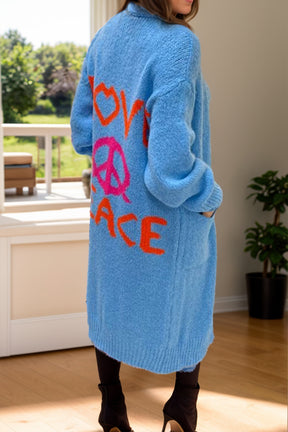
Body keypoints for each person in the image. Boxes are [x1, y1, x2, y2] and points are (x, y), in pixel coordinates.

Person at [70, 0, 223, 431]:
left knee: (111, 302)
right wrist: (207, 194)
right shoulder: (178, 45)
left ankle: (112, 408)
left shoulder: (106, 36)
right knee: (189, 305)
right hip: (166, 221)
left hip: (114, 214)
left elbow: (84, 134)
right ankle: (182, 405)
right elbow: (169, 171)